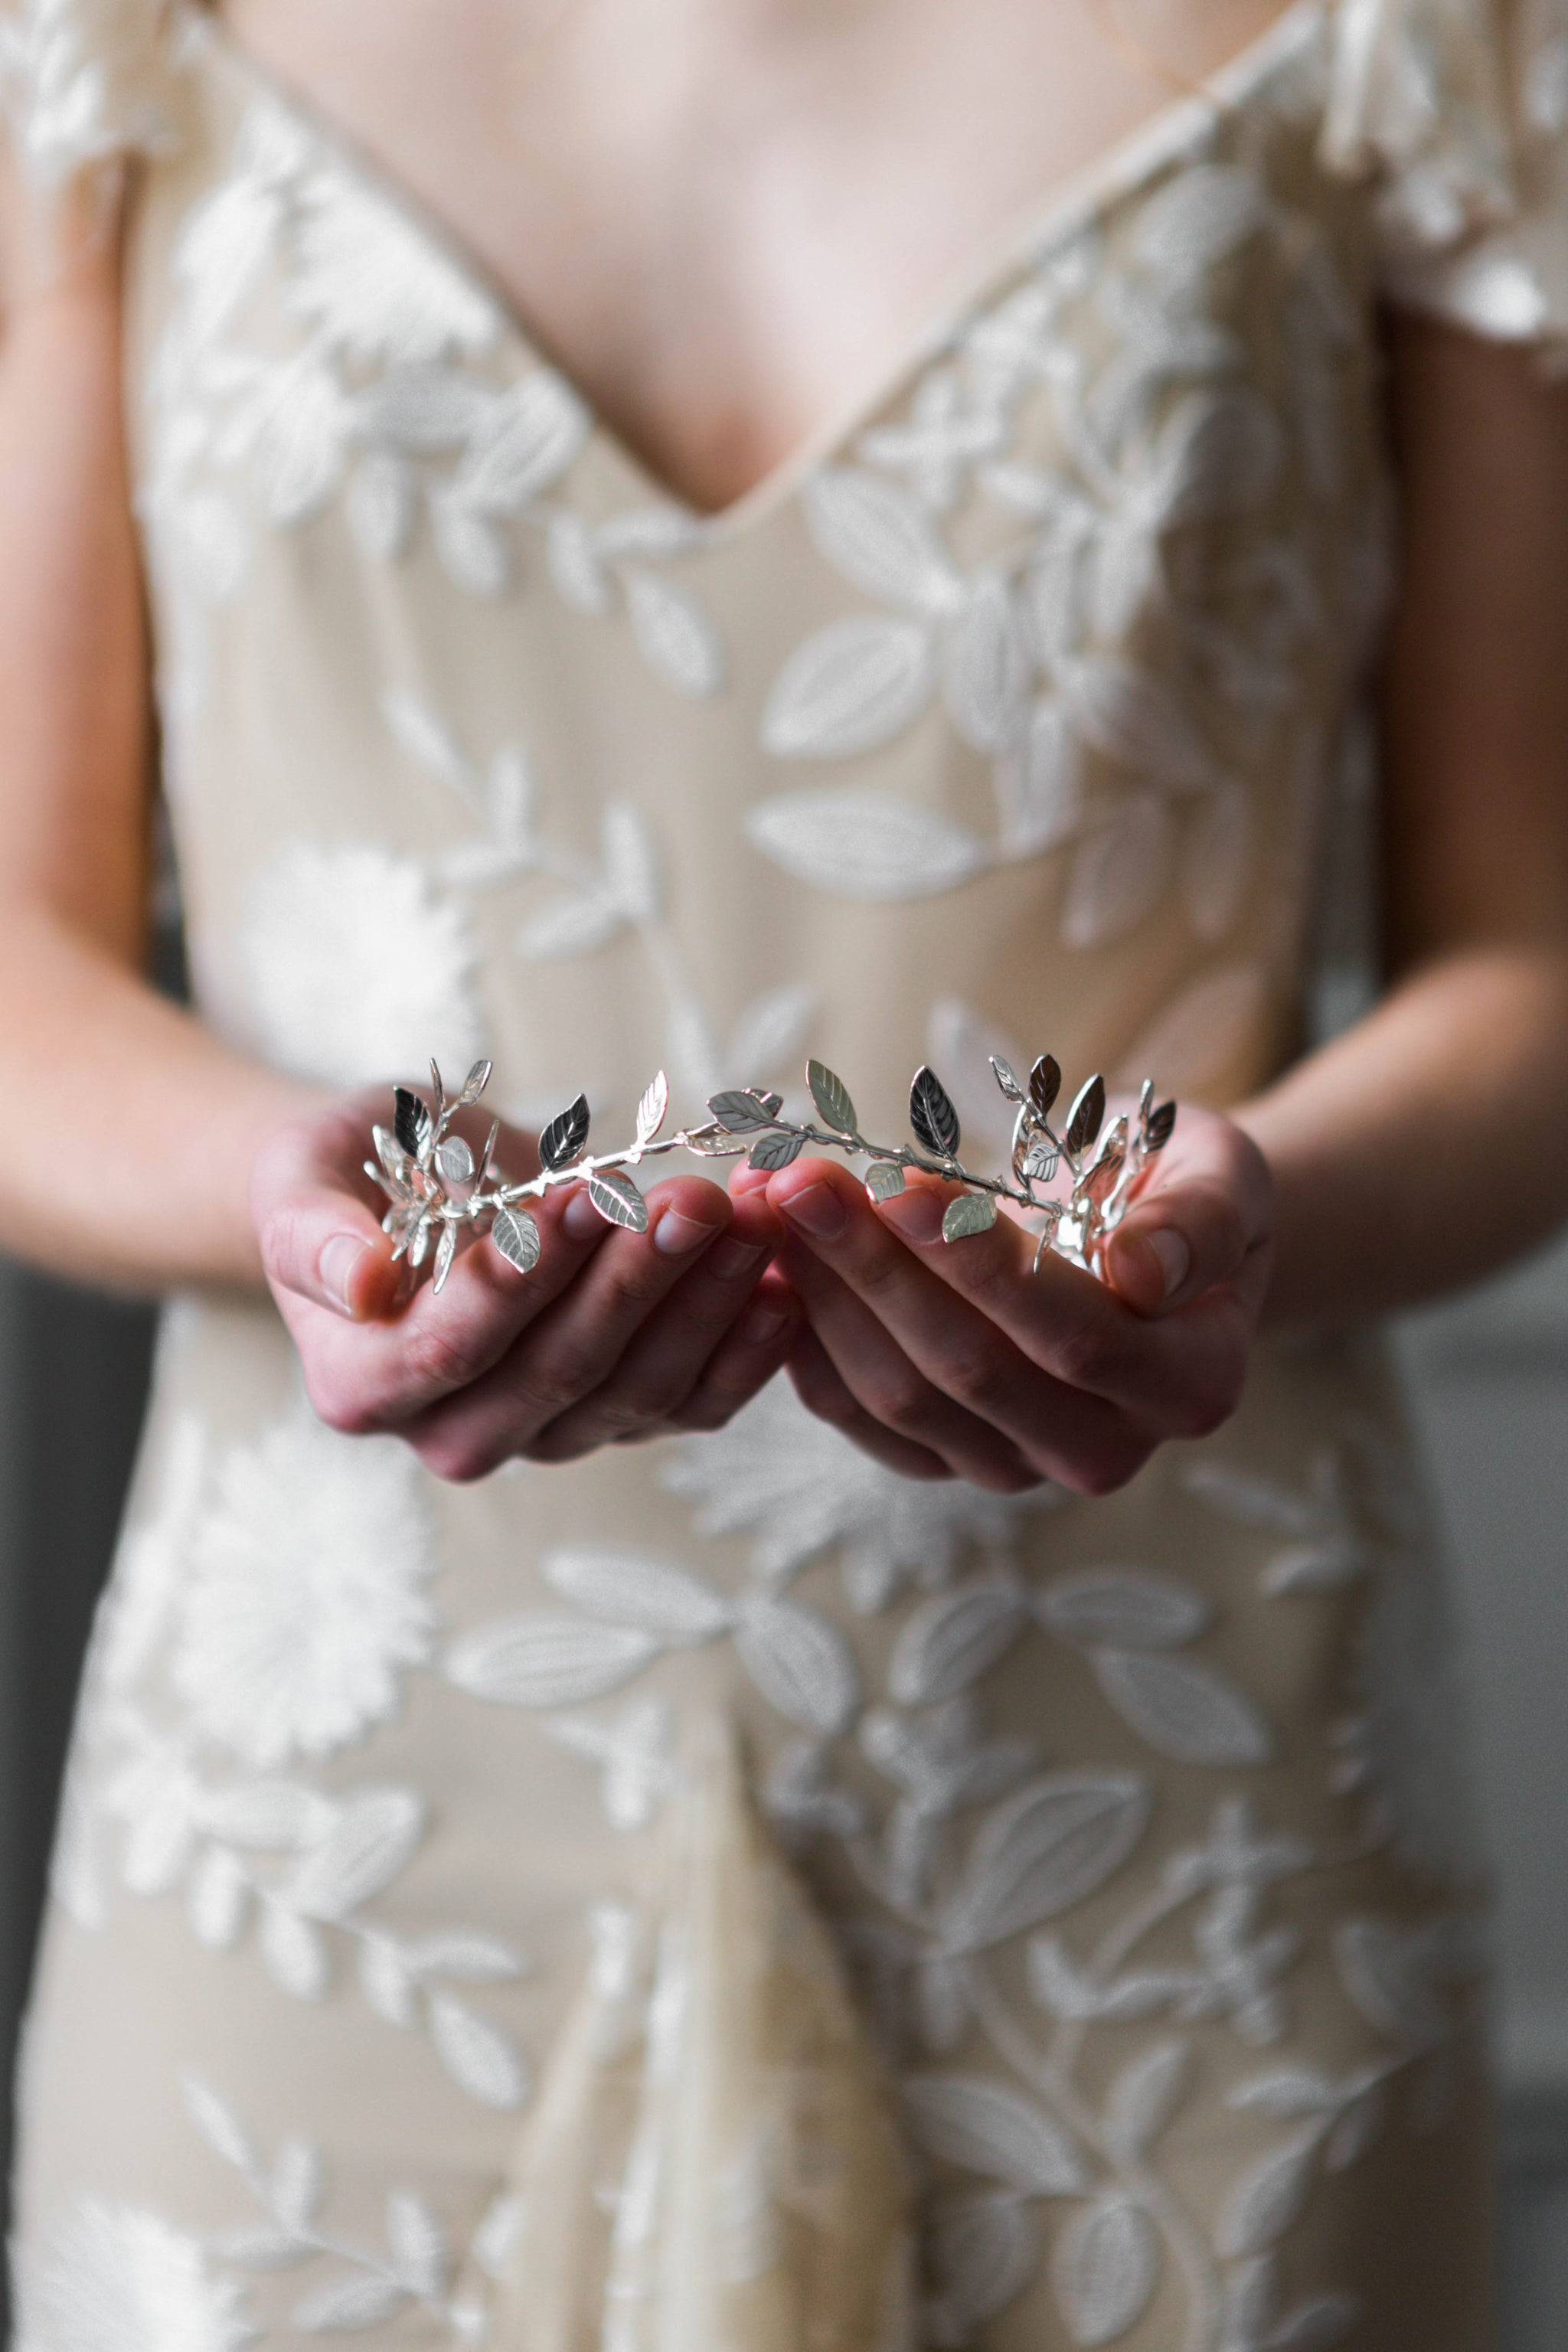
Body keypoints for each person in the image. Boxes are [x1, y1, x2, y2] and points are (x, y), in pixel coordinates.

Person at [2, 0, 1566, 2340]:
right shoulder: (108, 40)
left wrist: (1248, 1225)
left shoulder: (1426, 36)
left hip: (1163, 1812)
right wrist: (283, 1192)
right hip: (331, 1848)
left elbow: (1530, 962)